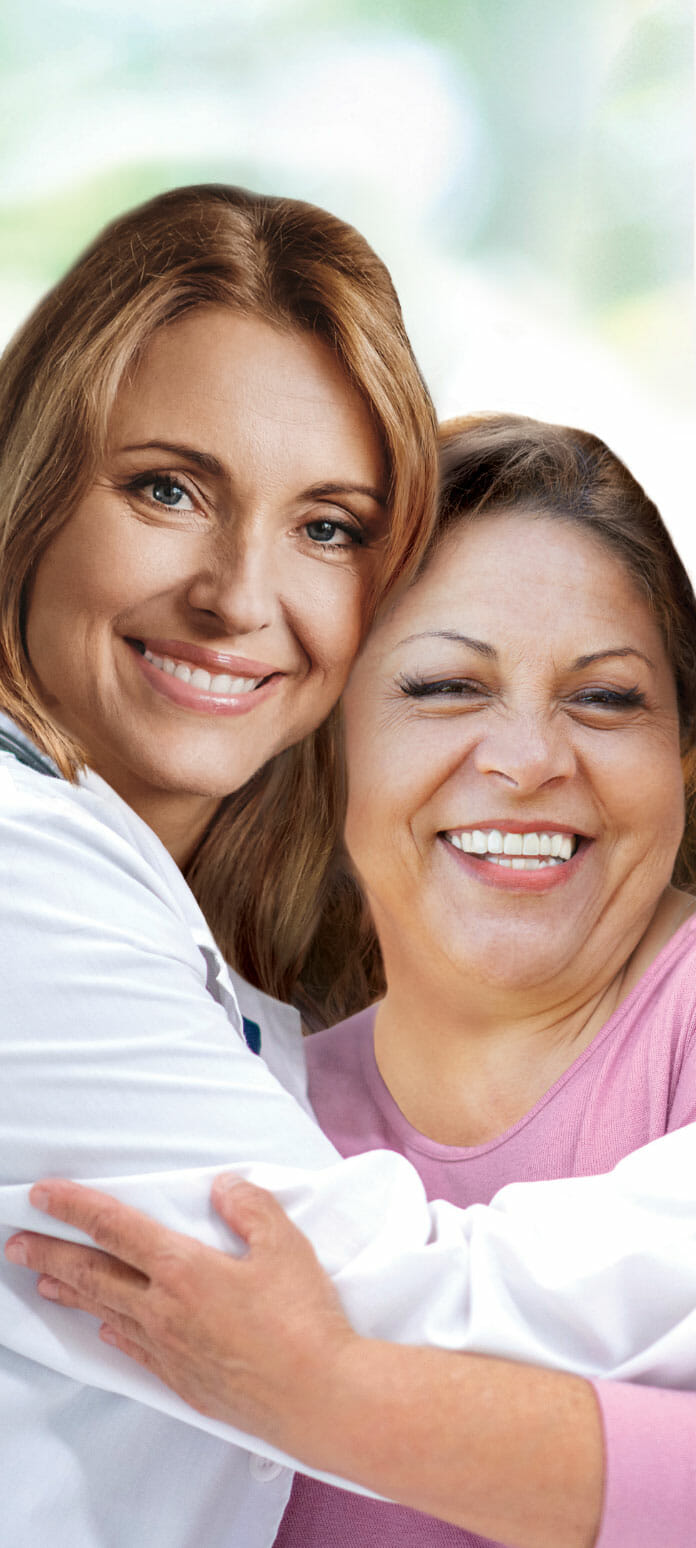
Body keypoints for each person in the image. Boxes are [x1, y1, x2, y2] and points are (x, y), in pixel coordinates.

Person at [0, 181, 694, 1545]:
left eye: (327, 526)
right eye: (164, 488)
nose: (240, 596)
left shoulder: (227, 1008)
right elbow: (356, 1297)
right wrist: (333, 1389)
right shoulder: (26, 882)